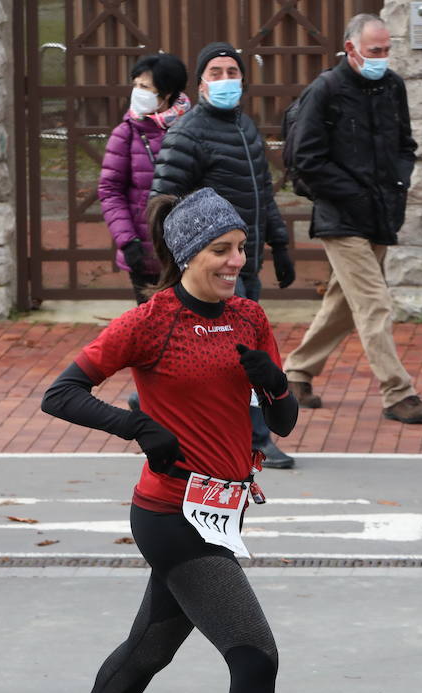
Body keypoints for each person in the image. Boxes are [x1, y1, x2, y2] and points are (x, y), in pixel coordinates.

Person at [37, 188, 340, 693]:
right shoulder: (152, 322)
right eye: (220, 251)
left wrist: (276, 385)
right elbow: (61, 393)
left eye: (240, 248)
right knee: (254, 655)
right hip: (170, 514)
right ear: (184, 255)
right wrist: (140, 426)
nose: (236, 261)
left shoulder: (249, 318)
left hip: (221, 512)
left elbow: (285, 424)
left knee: (149, 649)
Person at [150, 41, 298, 469]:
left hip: (245, 261)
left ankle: (147, 398)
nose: (226, 81)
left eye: (232, 72)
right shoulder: (187, 133)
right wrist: (180, 260)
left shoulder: (245, 127)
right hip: (209, 268)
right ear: (200, 84)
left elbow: (262, 193)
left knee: (234, 351)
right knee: (241, 356)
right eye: (216, 73)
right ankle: (258, 439)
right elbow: (163, 202)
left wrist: (280, 245)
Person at [281, 14, 422, 425]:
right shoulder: (326, 90)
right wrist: (353, 193)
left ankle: (295, 373)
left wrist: (399, 181)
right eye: (374, 51)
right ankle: (398, 392)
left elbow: (406, 142)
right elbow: (306, 159)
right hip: (340, 216)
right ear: (351, 48)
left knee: (345, 302)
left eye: (386, 50)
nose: (382, 58)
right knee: (374, 302)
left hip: (381, 213)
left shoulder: (393, 86)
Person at [99, 53, 189, 304]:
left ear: (167, 93)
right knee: (154, 330)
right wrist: (128, 242)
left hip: (190, 252)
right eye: (135, 85)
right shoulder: (126, 133)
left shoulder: (192, 129)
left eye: (145, 87)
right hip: (146, 255)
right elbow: (109, 191)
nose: (137, 92)